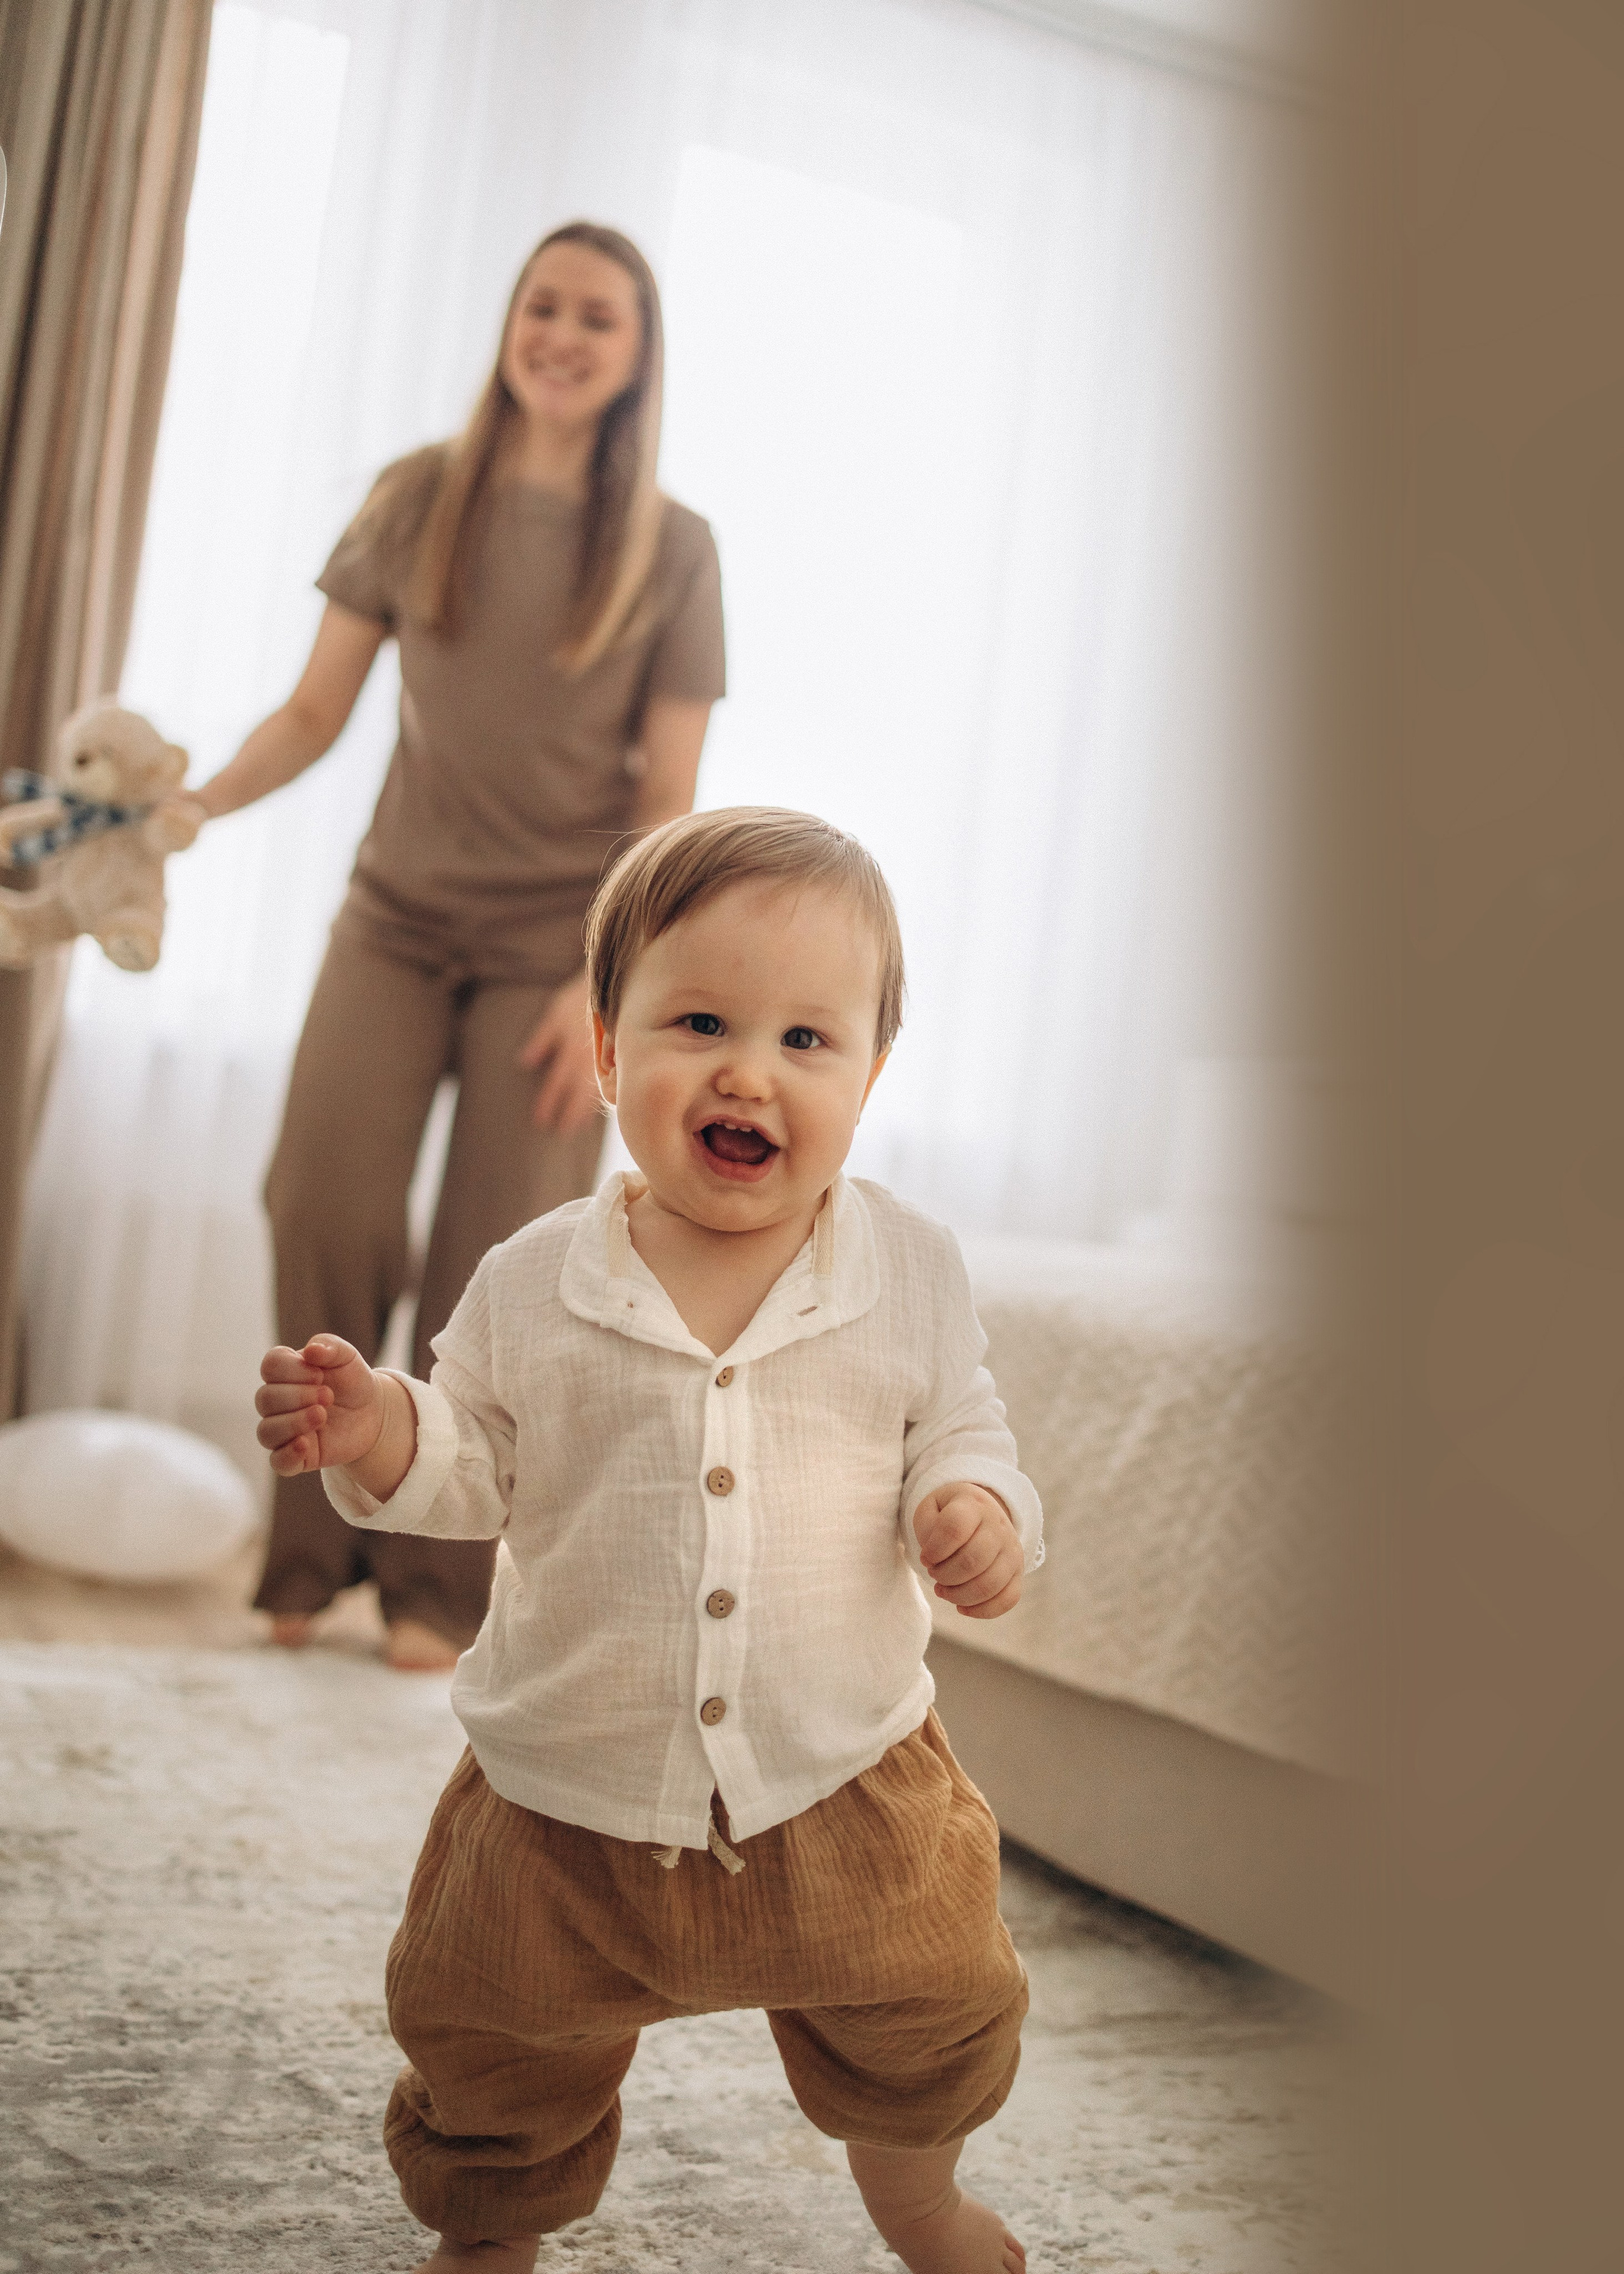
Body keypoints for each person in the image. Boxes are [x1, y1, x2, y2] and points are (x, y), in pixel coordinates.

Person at [254, 808, 1043, 2274]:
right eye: (700, 1020)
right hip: (566, 1797)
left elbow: (965, 1428)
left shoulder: (911, 1270)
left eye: (808, 1040)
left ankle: (916, 2197)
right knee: (488, 2032)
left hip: (843, 1780)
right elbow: (472, 1458)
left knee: (931, 2007)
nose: (750, 1067)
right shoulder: (537, 1276)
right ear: (610, 1053)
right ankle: (492, 2226)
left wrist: (978, 1507)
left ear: (869, 1079)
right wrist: (376, 1433)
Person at [174, 223, 724, 1671]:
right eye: (540, 305)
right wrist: (189, 804)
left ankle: (433, 1590)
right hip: (396, 923)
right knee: (322, 1197)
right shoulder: (416, 494)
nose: (559, 333)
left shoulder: (675, 550)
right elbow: (309, 715)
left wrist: (599, 986)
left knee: (499, 1258)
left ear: (633, 354)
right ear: (508, 324)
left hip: (556, 960)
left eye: (593, 317)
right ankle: (306, 1548)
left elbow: (667, 804)